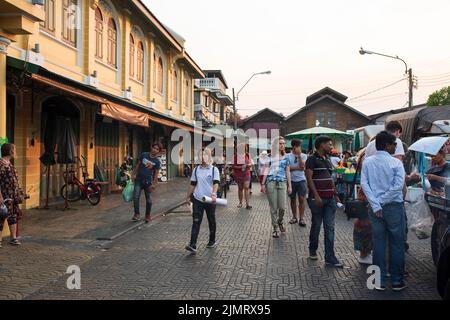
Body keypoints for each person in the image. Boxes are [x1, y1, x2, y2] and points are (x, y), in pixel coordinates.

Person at [361, 131, 407, 291]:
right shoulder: (396, 164)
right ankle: (396, 281)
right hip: (393, 206)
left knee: (378, 243)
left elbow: (364, 184)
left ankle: (378, 281)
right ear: (387, 145)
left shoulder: (367, 162)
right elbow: (397, 187)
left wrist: (375, 204)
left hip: (375, 209)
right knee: (397, 244)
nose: (396, 146)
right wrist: (381, 202)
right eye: (394, 144)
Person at [306, 136, 343, 267]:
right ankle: (312, 249)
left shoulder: (327, 160)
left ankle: (330, 257)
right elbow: (309, 178)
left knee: (330, 228)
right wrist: (316, 196)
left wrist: (336, 195)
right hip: (317, 200)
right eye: (330, 144)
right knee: (316, 225)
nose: (331, 147)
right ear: (322, 145)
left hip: (330, 199)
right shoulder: (311, 159)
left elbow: (330, 179)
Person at [185, 148, 220, 254]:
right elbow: (192, 184)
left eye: (205, 154)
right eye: (201, 155)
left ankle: (212, 240)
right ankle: (193, 244)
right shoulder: (196, 170)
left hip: (210, 199)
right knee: (196, 221)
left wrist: (214, 193)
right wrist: (187, 196)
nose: (203, 157)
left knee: (211, 220)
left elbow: (216, 183)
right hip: (198, 199)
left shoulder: (214, 169)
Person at [261, 137, 292, 238]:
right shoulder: (269, 157)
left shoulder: (287, 157)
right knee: (273, 207)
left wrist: (289, 185)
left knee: (282, 207)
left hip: (282, 182)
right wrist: (262, 184)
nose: (282, 145)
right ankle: (275, 228)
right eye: (280, 143)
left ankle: (280, 221)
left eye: (283, 143)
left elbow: (288, 171)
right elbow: (265, 170)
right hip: (270, 183)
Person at [0, 143, 24, 247]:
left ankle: (13, 238)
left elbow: (15, 181)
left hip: (12, 197)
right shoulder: (1, 164)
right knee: (1, 216)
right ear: (10, 151)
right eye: (14, 150)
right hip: (4, 196)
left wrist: (20, 193)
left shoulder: (9, 164)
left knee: (13, 216)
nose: (16, 152)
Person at [131, 143, 161, 223]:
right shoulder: (144, 155)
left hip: (148, 182)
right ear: (151, 148)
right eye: (154, 148)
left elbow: (156, 174)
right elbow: (138, 165)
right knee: (136, 197)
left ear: (158, 151)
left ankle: (147, 215)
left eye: (157, 149)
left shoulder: (157, 162)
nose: (155, 150)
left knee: (149, 200)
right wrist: (133, 174)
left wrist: (154, 184)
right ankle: (136, 214)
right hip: (138, 180)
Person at [352, 148, 373, 265]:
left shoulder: (365, 156)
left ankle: (365, 253)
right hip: (366, 195)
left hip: (365, 193)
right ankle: (364, 254)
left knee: (365, 225)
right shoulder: (367, 158)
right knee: (366, 226)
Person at [287, 139, 308, 227]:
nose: (300, 148)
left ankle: (302, 218)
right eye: (298, 146)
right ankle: (294, 217)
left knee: (302, 199)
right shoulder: (287, 156)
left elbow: (303, 167)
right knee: (292, 199)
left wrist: (299, 156)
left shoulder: (303, 155)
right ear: (294, 147)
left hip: (302, 180)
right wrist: (297, 168)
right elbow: (288, 169)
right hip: (291, 180)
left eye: (300, 146)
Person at [232, 144, 253, 209]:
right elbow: (233, 166)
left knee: (246, 188)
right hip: (238, 175)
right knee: (240, 189)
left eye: (245, 148)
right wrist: (241, 167)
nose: (244, 149)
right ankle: (240, 202)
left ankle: (247, 204)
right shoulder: (235, 156)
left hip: (246, 174)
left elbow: (252, 163)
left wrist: (248, 165)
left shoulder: (248, 155)